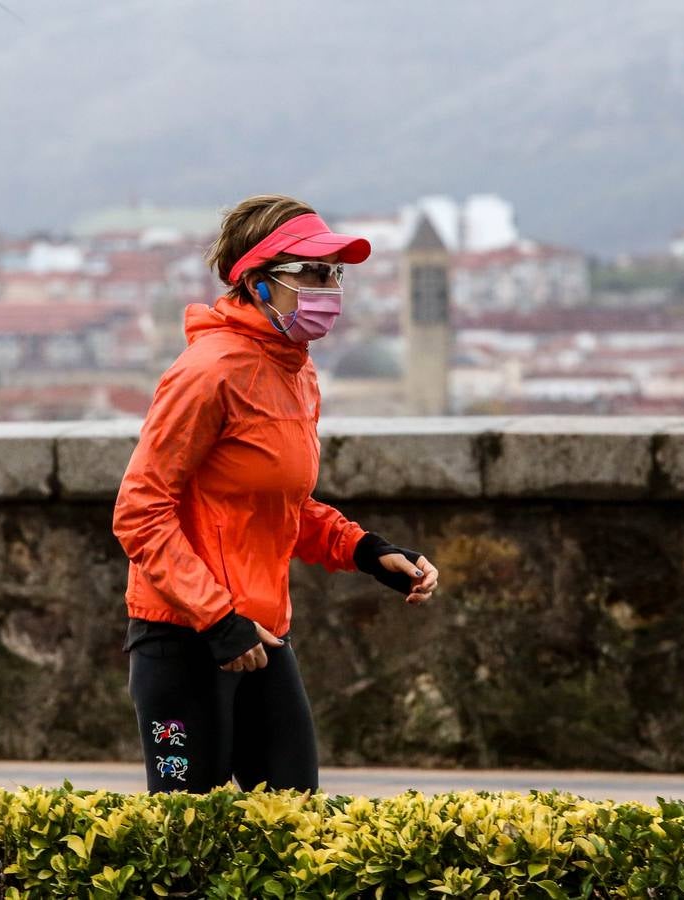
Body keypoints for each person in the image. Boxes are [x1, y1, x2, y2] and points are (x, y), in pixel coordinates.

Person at [112, 194, 439, 794]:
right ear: (258, 282)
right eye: (314, 273)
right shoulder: (207, 372)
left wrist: (367, 550)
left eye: (336, 274)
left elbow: (280, 503)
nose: (331, 289)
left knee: (295, 816)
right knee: (187, 846)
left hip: (262, 633)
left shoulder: (297, 372)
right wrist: (215, 617)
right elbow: (140, 510)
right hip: (184, 638)